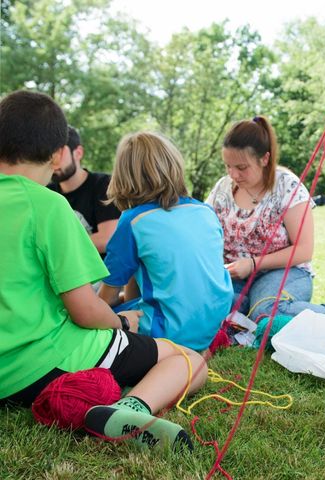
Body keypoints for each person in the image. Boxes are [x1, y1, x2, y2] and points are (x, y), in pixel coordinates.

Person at [0, 90, 207, 450]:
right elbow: (84, 310)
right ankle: (129, 409)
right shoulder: (48, 205)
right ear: (55, 154)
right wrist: (124, 322)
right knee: (190, 359)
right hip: (43, 361)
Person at [205, 116, 325, 322]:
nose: (233, 174)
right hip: (235, 276)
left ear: (264, 159)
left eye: (241, 167)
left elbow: (303, 249)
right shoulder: (223, 188)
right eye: (228, 166)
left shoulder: (287, 187)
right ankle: (243, 310)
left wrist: (253, 264)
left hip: (285, 273)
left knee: (266, 310)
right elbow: (204, 232)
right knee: (207, 304)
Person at [98, 131, 234, 352]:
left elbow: (105, 301)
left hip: (170, 333)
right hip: (211, 323)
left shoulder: (133, 221)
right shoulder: (205, 211)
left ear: (124, 176)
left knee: (93, 318)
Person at [48, 126, 120, 256]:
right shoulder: (47, 193)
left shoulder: (103, 184)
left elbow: (107, 239)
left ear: (78, 153)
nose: (54, 162)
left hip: (103, 273)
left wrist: (56, 247)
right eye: (48, 156)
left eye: (59, 154)